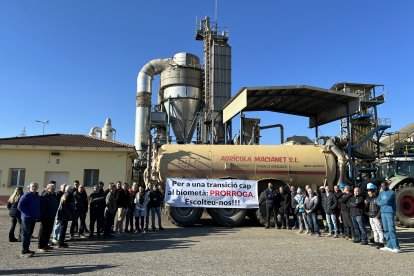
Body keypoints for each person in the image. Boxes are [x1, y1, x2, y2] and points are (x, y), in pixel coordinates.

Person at [17, 182, 41, 257]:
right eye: (32, 186)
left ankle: (27, 249)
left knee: (29, 234)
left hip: (33, 218)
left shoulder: (37, 196)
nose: (34, 187)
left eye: (36, 186)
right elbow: (19, 206)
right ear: (29, 187)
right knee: (25, 234)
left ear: (37, 188)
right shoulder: (26, 196)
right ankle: (24, 250)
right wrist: (28, 213)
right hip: (26, 218)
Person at [377, 181, 401, 253]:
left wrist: (381, 203)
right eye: (381, 186)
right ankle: (388, 245)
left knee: (391, 229)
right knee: (386, 229)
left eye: (383, 186)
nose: (382, 187)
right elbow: (377, 201)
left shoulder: (392, 193)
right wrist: (382, 203)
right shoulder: (381, 193)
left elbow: (387, 201)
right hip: (383, 212)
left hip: (389, 212)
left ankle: (396, 247)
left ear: (387, 185)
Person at [37, 183, 58, 252]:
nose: (53, 189)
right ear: (48, 188)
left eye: (54, 188)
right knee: (43, 231)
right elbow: (43, 207)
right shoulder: (45, 195)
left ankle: (46, 244)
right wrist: (44, 215)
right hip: (46, 216)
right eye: (52, 188)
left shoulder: (53, 195)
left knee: (49, 231)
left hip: (52, 216)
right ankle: (41, 246)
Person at [365, 183, 384, 249]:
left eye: (370, 192)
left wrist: (378, 216)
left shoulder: (378, 198)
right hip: (371, 216)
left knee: (379, 229)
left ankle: (381, 242)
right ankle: (376, 241)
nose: (368, 193)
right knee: (374, 230)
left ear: (374, 192)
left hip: (376, 217)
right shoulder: (371, 199)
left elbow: (381, 208)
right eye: (368, 192)